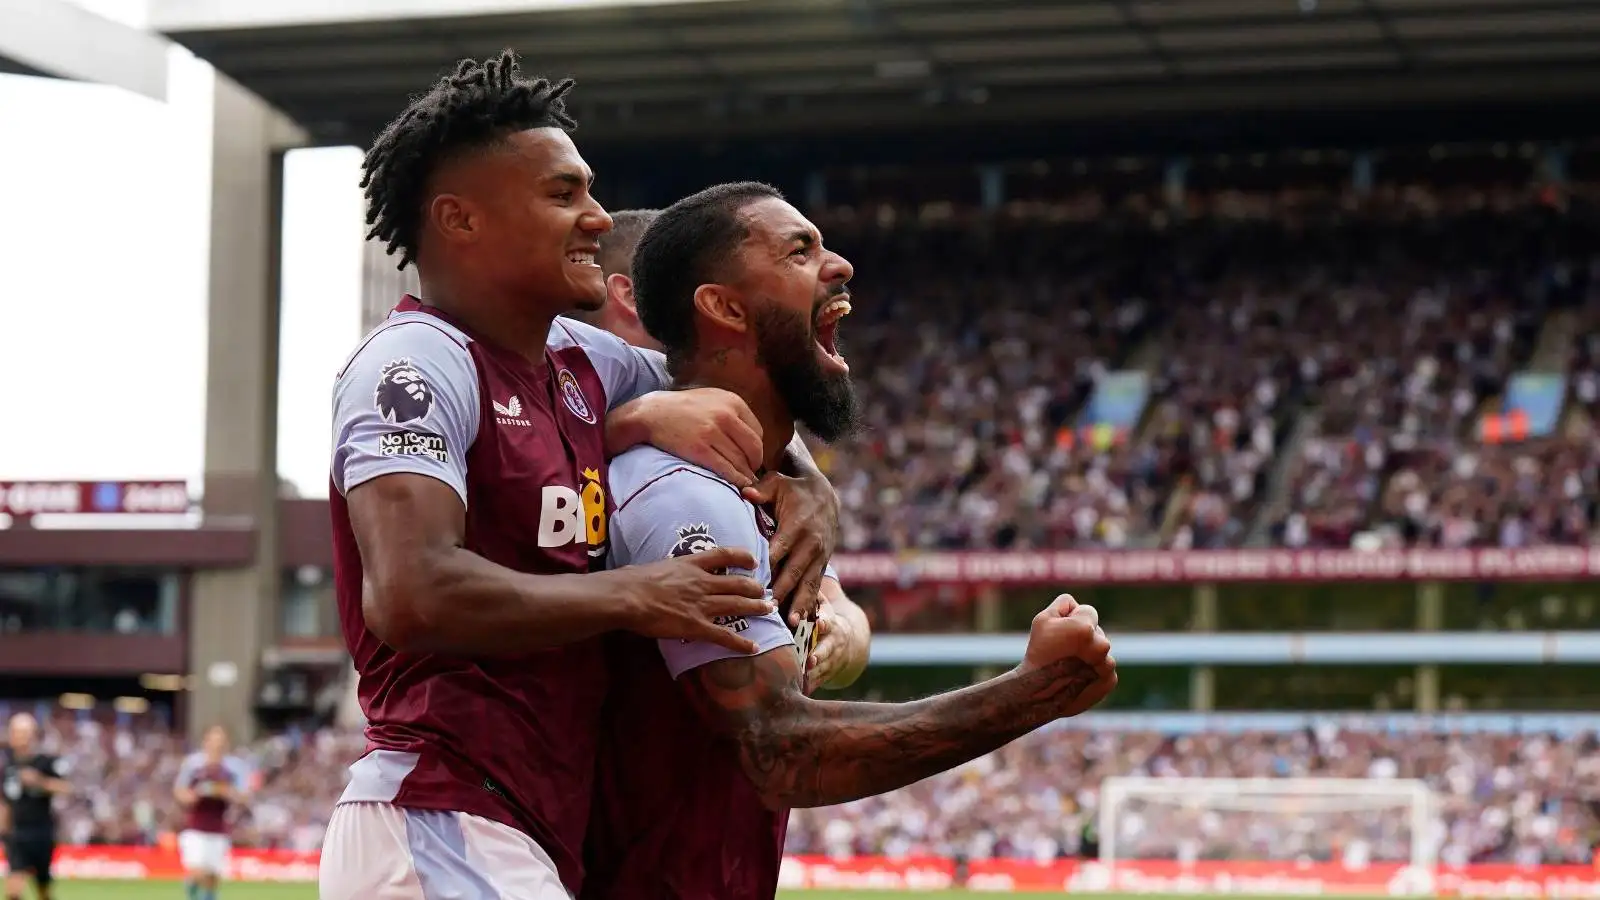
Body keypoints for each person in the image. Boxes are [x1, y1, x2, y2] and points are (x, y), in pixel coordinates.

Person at [319, 54, 841, 900]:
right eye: (563, 194)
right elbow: (411, 593)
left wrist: (813, 485)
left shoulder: (583, 364)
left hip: (527, 825)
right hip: (438, 808)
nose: (598, 217)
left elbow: (737, 400)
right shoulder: (412, 364)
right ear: (461, 218)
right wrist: (639, 595)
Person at [583, 182, 1118, 900]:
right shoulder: (682, 492)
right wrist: (1032, 694)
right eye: (799, 250)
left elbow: (832, 641)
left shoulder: (765, 489)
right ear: (724, 307)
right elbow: (778, 749)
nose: (839, 266)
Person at [576, 207, 871, 691]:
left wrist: (840, 634)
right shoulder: (582, 394)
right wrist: (629, 422)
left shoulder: (742, 453)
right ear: (630, 294)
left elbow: (843, 615)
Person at [172, 726, 250, 900]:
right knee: (198, 871)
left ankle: (200, 892)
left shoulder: (234, 767)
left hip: (219, 829)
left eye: (221, 742)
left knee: (212, 879)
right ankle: (191, 883)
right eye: (214, 741)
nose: (217, 746)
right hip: (195, 828)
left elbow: (243, 796)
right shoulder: (193, 764)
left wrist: (226, 792)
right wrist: (196, 795)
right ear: (205, 742)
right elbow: (180, 792)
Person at [1, 714, 70, 900]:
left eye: (23, 732)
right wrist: (3, 831)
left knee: (43, 890)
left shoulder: (46, 762)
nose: (18, 736)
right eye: (15, 732)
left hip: (41, 833)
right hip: (17, 834)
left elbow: (66, 788)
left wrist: (40, 782)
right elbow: (5, 802)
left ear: (33, 735)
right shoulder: (8, 767)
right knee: (13, 890)